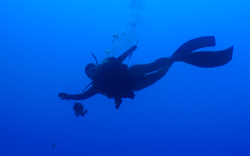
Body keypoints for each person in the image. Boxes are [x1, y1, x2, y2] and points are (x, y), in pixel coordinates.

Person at [59, 36, 233, 109]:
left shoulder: (105, 68)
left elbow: (119, 60)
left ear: (96, 67)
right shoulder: (95, 87)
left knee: (152, 65)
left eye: (92, 69)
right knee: (157, 75)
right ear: (88, 76)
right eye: (89, 73)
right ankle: (174, 60)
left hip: (129, 75)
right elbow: (83, 97)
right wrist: (69, 96)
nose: (91, 73)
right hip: (132, 87)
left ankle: (173, 59)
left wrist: (130, 49)